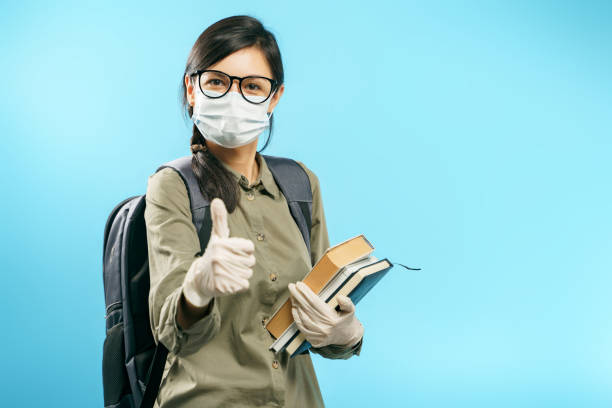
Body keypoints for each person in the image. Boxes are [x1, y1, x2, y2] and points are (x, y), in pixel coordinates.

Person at [144, 15, 364, 408]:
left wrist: (344, 334)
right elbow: (170, 333)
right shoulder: (173, 186)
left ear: (274, 97)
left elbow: (317, 323)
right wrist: (197, 288)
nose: (233, 97)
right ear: (192, 89)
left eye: (251, 86)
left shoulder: (300, 186)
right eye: (216, 81)